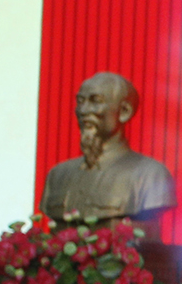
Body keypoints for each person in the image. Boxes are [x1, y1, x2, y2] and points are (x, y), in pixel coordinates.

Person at [40, 72, 175, 228]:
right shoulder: (58, 175)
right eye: (80, 101)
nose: (83, 110)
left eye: (95, 101)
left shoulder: (150, 175)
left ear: (124, 112)